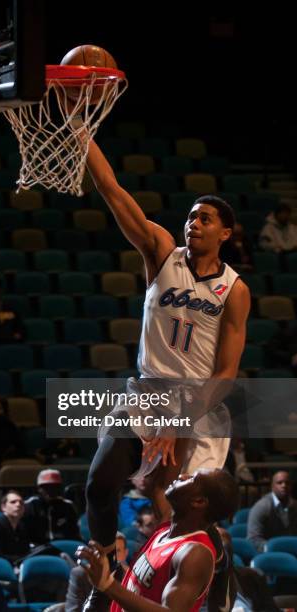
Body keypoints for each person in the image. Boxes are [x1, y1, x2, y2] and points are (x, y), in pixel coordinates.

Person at [82, 139, 250, 609]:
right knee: (99, 483)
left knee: (197, 521)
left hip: (202, 403)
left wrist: (177, 423)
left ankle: (215, 599)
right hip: (150, 390)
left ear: (225, 233)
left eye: (205, 219)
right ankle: (106, 576)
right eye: (191, 217)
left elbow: (226, 373)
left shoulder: (234, 290)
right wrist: (81, 130)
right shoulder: (161, 253)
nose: (193, 224)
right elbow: (111, 188)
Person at [78, 468, 239, 612]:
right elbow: (159, 484)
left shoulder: (195, 554)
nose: (182, 475)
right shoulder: (166, 528)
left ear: (199, 502)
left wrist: (107, 584)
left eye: (191, 478)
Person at [217, 527, 280, 612]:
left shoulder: (254, 576)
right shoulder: (201, 584)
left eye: (227, 548)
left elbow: (271, 609)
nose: (223, 555)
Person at [65, 532, 130, 612]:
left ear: (125, 553)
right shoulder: (80, 574)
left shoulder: (130, 576)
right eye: (106, 553)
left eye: (118, 551)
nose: (112, 557)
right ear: (95, 552)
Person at [24, 469, 81, 544]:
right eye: (46, 487)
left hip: (64, 546)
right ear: (38, 488)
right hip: (37, 547)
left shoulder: (68, 506)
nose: (50, 490)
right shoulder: (29, 505)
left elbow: (75, 532)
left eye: (54, 486)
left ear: (59, 488)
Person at [247, 470, 297, 552]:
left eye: (287, 483)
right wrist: (277, 548)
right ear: (272, 486)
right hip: (269, 555)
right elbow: (253, 540)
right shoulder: (261, 507)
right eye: (279, 483)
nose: (284, 485)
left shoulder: (295, 506)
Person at [0, 489, 30, 564]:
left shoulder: (22, 527)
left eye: (21, 503)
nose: (18, 505)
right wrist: (22, 559)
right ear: (3, 507)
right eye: (13, 502)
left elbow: (25, 552)